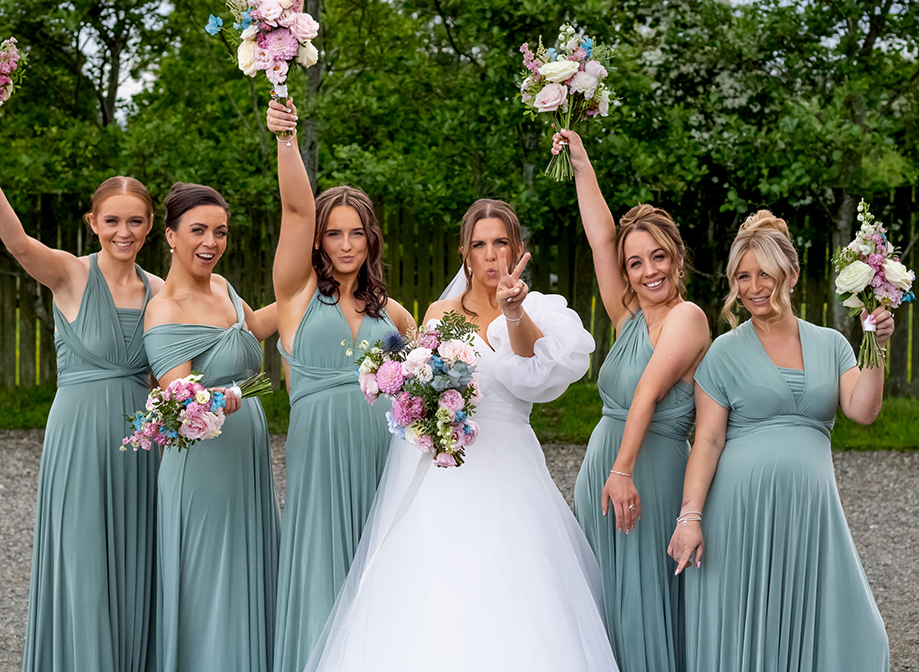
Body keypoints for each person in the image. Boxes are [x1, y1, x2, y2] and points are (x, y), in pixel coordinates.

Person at [302, 198, 619, 672]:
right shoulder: (441, 311)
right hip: (446, 465)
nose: (491, 256)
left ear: (517, 249)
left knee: (514, 583)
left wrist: (514, 312)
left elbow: (538, 374)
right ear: (465, 254)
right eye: (479, 245)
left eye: (500, 244)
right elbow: (422, 387)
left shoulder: (540, 310)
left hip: (509, 462)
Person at [668, 211, 891, 672]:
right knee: (746, 625)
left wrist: (876, 344)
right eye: (743, 276)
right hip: (739, 512)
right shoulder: (724, 352)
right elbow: (707, 441)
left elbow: (863, 410)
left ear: (789, 274)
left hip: (811, 513)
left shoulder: (832, 344)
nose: (753, 287)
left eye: (763, 274)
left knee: (845, 627)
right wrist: (689, 517)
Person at [265, 101, 415, 671]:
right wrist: (286, 139)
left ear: (370, 239)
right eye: (334, 233)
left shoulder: (394, 315)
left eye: (356, 233)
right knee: (324, 562)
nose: (346, 244)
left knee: (380, 566)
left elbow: (431, 372)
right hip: (320, 452)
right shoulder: (296, 292)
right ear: (319, 240)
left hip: (382, 453)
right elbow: (295, 208)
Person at [555, 130, 709, 672]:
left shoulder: (688, 319)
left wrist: (622, 470)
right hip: (605, 466)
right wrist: (579, 159)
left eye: (658, 257)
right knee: (600, 598)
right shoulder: (627, 314)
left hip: (646, 471)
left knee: (644, 598)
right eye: (637, 263)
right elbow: (600, 237)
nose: (650, 272)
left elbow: (647, 389)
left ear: (676, 256)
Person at [0, 176, 162, 672]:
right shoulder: (70, 274)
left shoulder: (161, 290)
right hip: (79, 438)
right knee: (84, 559)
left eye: (135, 221)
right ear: (93, 223)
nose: (124, 232)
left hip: (141, 443)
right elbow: (16, 240)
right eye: (112, 220)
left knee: (139, 561)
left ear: (151, 225)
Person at [142, 183, 280, 672]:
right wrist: (233, 394)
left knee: (246, 572)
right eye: (198, 230)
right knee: (208, 578)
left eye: (220, 232)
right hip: (202, 469)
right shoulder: (163, 311)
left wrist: (319, 290)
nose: (211, 242)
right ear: (171, 236)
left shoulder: (223, 288)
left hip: (245, 461)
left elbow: (256, 327)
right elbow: (183, 407)